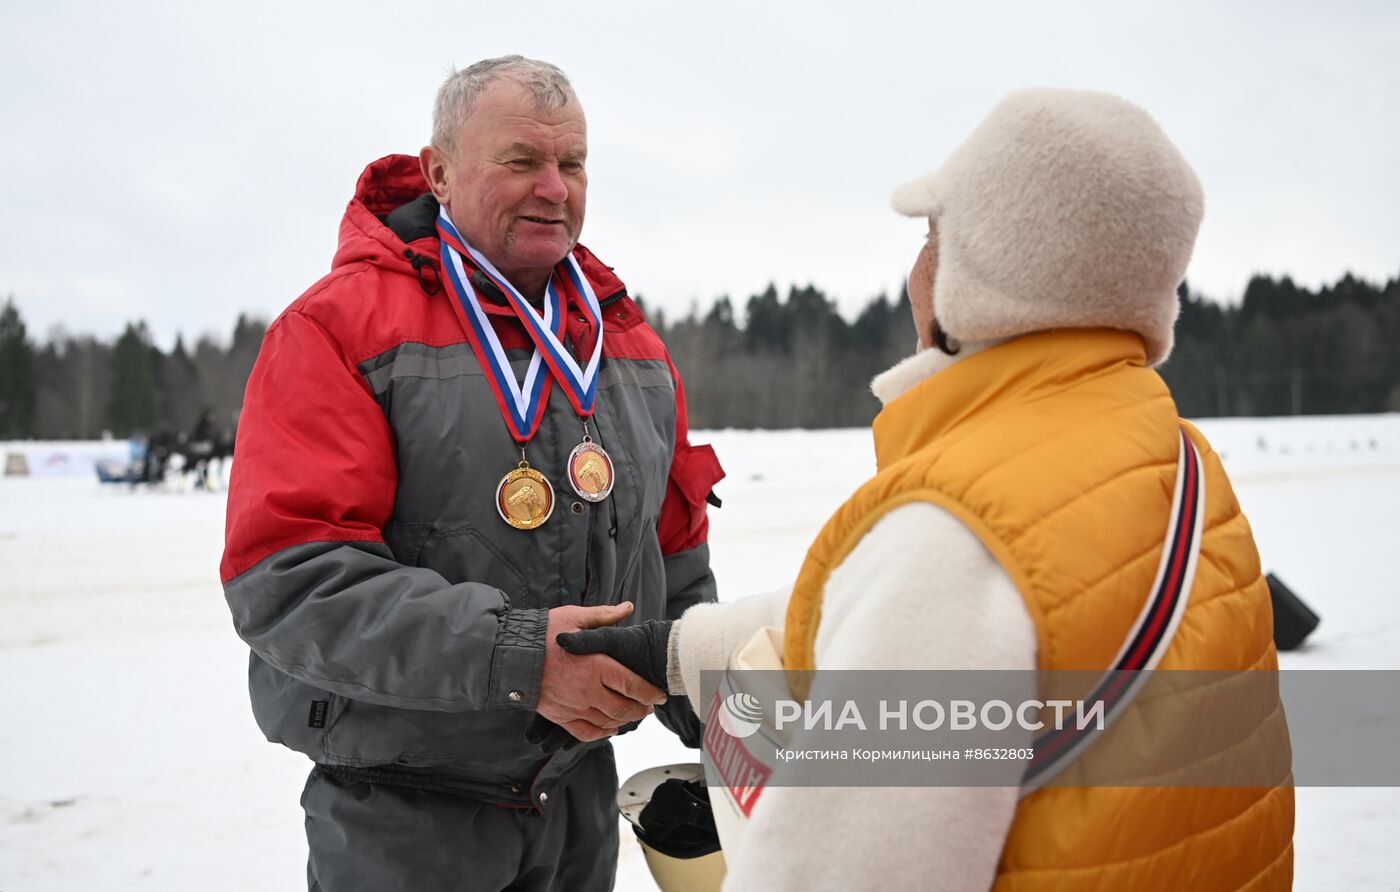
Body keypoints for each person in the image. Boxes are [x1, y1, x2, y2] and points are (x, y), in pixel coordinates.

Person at [562, 88, 1294, 890]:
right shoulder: (1174, 463)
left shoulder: (956, 533)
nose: (915, 267)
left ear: (981, 267)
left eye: (931, 236)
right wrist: (679, 651)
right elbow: (905, 612)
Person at [220, 56, 724, 892]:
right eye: (522, 161)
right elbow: (290, 582)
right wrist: (520, 658)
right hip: (405, 819)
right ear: (440, 171)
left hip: (580, 805)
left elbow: (676, 567)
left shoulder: (628, 345)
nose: (555, 189)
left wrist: (723, 712)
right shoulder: (337, 329)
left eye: (573, 164)